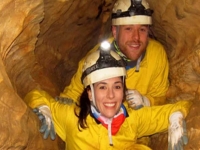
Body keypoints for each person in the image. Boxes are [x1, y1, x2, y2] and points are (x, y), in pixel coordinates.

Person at [24, 42, 192, 150]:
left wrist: (176, 117)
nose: (111, 95)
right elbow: (36, 95)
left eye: (117, 86)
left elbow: (177, 107)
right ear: (90, 93)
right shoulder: (73, 118)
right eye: (102, 87)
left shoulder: (133, 119)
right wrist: (43, 108)